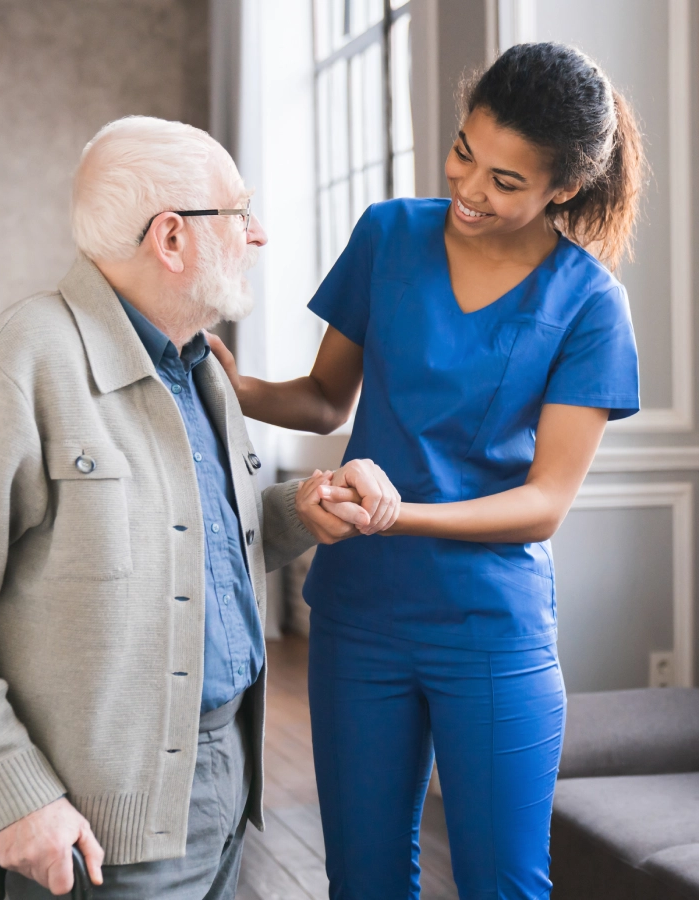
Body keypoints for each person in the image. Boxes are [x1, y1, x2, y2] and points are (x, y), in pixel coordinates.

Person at [0, 116, 399, 899]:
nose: (257, 236)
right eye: (240, 212)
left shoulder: (203, 369)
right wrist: (19, 798)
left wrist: (299, 509)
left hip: (226, 780)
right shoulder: (17, 361)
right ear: (172, 238)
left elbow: (191, 539)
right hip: (97, 831)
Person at [210, 43, 644, 899]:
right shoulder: (389, 234)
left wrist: (394, 514)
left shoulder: (591, 304)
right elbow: (329, 399)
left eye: (507, 182)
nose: (470, 189)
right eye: (463, 152)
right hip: (359, 616)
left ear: (562, 189)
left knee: (502, 886)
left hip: (490, 630)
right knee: (364, 882)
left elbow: (543, 504)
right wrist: (237, 386)